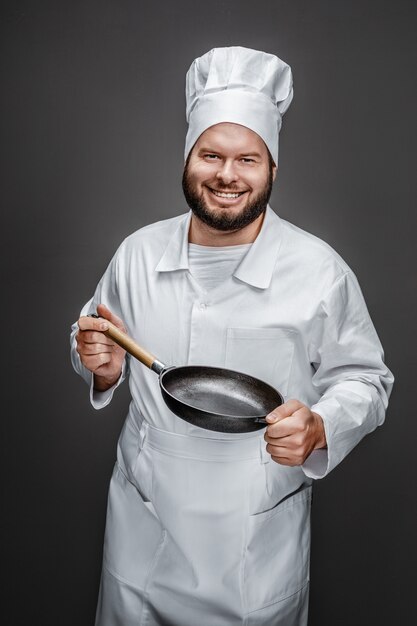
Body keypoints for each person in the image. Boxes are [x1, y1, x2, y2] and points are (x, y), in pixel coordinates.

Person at [71, 46, 394, 626]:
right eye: (210, 155)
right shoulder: (137, 254)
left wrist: (321, 426)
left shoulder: (318, 270)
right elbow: (97, 336)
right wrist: (99, 364)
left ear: (273, 168)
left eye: (248, 158)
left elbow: (366, 379)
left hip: (254, 533)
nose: (226, 175)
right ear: (187, 157)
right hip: (142, 525)